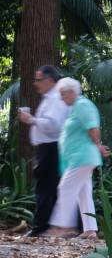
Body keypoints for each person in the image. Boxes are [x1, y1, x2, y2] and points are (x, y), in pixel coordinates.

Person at [47, 78, 108, 240]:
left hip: (83, 157)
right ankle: (90, 230)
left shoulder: (82, 105)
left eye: (63, 94)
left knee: (66, 188)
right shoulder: (76, 107)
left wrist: (98, 146)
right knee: (83, 193)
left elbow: (93, 127)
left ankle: (64, 227)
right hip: (79, 157)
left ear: (71, 92)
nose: (61, 98)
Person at [17, 65, 69, 237]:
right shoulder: (50, 97)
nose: (35, 83)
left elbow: (53, 125)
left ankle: (41, 227)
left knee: (45, 187)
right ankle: (47, 226)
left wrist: (31, 119)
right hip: (48, 147)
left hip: (52, 147)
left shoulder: (55, 98)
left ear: (49, 80)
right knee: (48, 186)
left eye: (38, 80)